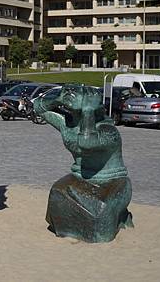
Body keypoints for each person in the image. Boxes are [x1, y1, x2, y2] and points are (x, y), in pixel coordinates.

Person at [34, 85, 133, 242]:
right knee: (57, 192)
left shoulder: (108, 131)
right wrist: (57, 99)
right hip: (79, 177)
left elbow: (86, 142)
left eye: (75, 94)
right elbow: (38, 108)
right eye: (68, 92)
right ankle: (70, 230)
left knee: (101, 213)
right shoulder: (68, 124)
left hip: (113, 181)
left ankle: (116, 218)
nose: (70, 95)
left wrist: (88, 110)